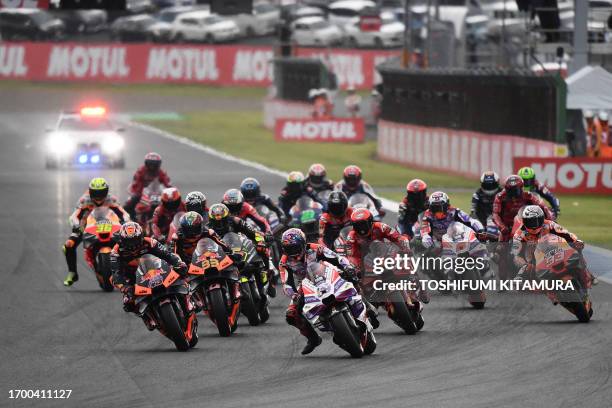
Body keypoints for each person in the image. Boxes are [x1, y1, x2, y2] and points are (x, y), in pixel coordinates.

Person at [279, 228, 357, 355]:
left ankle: (367, 306)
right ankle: (313, 339)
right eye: (288, 249)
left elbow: (336, 257)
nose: (292, 252)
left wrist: (347, 266)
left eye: (295, 247)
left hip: (327, 273)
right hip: (305, 284)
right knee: (291, 314)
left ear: (303, 243)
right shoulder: (284, 262)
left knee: (351, 275)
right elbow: (286, 283)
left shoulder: (316, 248)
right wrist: (293, 294)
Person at [111, 222, 187, 329]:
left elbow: (167, 255)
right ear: (122, 240)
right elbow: (116, 273)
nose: (132, 244)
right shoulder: (116, 252)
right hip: (132, 277)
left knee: (181, 271)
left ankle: (187, 300)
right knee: (128, 301)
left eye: (135, 240)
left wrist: (178, 264)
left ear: (141, 236)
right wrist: (125, 287)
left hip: (156, 269)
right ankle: (147, 317)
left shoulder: (150, 242)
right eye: (129, 241)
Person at [63, 177, 129, 286]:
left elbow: (124, 213)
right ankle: (72, 272)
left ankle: (131, 270)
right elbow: (74, 216)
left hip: (109, 224)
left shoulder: (111, 199)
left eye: (101, 192)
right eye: (95, 192)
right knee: (68, 245)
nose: (98, 196)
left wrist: (125, 222)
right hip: (86, 225)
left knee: (129, 240)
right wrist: (76, 226)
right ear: (90, 191)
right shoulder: (84, 200)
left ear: (106, 191)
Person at [511, 206, 594, 289]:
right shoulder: (519, 234)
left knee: (576, 249)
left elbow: (565, 233)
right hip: (534, 255)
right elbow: (516, 253)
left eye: (536, 220)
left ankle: (587, 273)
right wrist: (522, 262)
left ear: (542, 218)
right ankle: (522, 278)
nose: (534, 225)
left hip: (554, 248)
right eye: (530, 221)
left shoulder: (549, 224)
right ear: (524, 221)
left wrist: (576, 240)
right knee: (525, 267)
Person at [208, 203, 276, 297]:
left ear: (227, 217)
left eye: (222, 220)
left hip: (240, 246)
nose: (219, 223)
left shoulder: (236, 221)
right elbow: (204, 243)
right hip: (222, 253)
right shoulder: (208, 229)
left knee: (261, 248)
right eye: (216, 220)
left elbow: (253, 232)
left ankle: (267, 271)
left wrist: (261, 240)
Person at [492, 175, 553, 242]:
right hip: (507, 227)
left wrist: (550, 220)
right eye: (510, 190)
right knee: (500, 247)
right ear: (506, 189)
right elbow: (495, 214)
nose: (513, 194)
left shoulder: (528, 195)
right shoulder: (500, 197)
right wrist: (502, 227)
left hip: (525, 225)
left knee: (543, 236)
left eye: (515, 190)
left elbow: (543, 207)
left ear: (521, 188)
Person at [420, 192, 485, 249]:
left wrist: (481, 231)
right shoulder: (427, 215)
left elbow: (472, 221)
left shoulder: (455, 211)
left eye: (440, 207)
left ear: (446, 205)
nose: (438, 211)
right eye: (434, 208)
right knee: (430, 247)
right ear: (430, 207)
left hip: (456, 239)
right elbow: (424, 227)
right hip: (438, 242)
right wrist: (425, 236)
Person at [123, 152, 172, 218]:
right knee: (131, 202)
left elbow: (168, 185)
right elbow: (137, 185)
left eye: (154, 165)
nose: (152, 167)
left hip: (156, 193)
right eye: (150, 164)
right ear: (146, 163)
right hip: (141, 193)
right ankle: (127, 218)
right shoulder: (140, 171)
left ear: (158, 165)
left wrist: (170, 194)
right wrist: (138, 194)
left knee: (171, 202)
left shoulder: (161, 172)